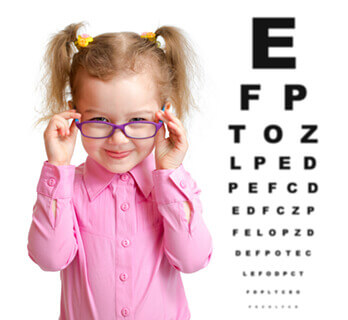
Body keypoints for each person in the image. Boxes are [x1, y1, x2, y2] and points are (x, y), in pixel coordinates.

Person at [27, 21, 213, 320]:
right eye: (100, 118)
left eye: (137, 120)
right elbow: (49, 259)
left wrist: (169, 174)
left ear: (164, 113)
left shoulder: (173, 187)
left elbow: (191, 260)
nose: (118, 138)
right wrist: (58, 168)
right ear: (74, 113)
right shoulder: (66, 189)